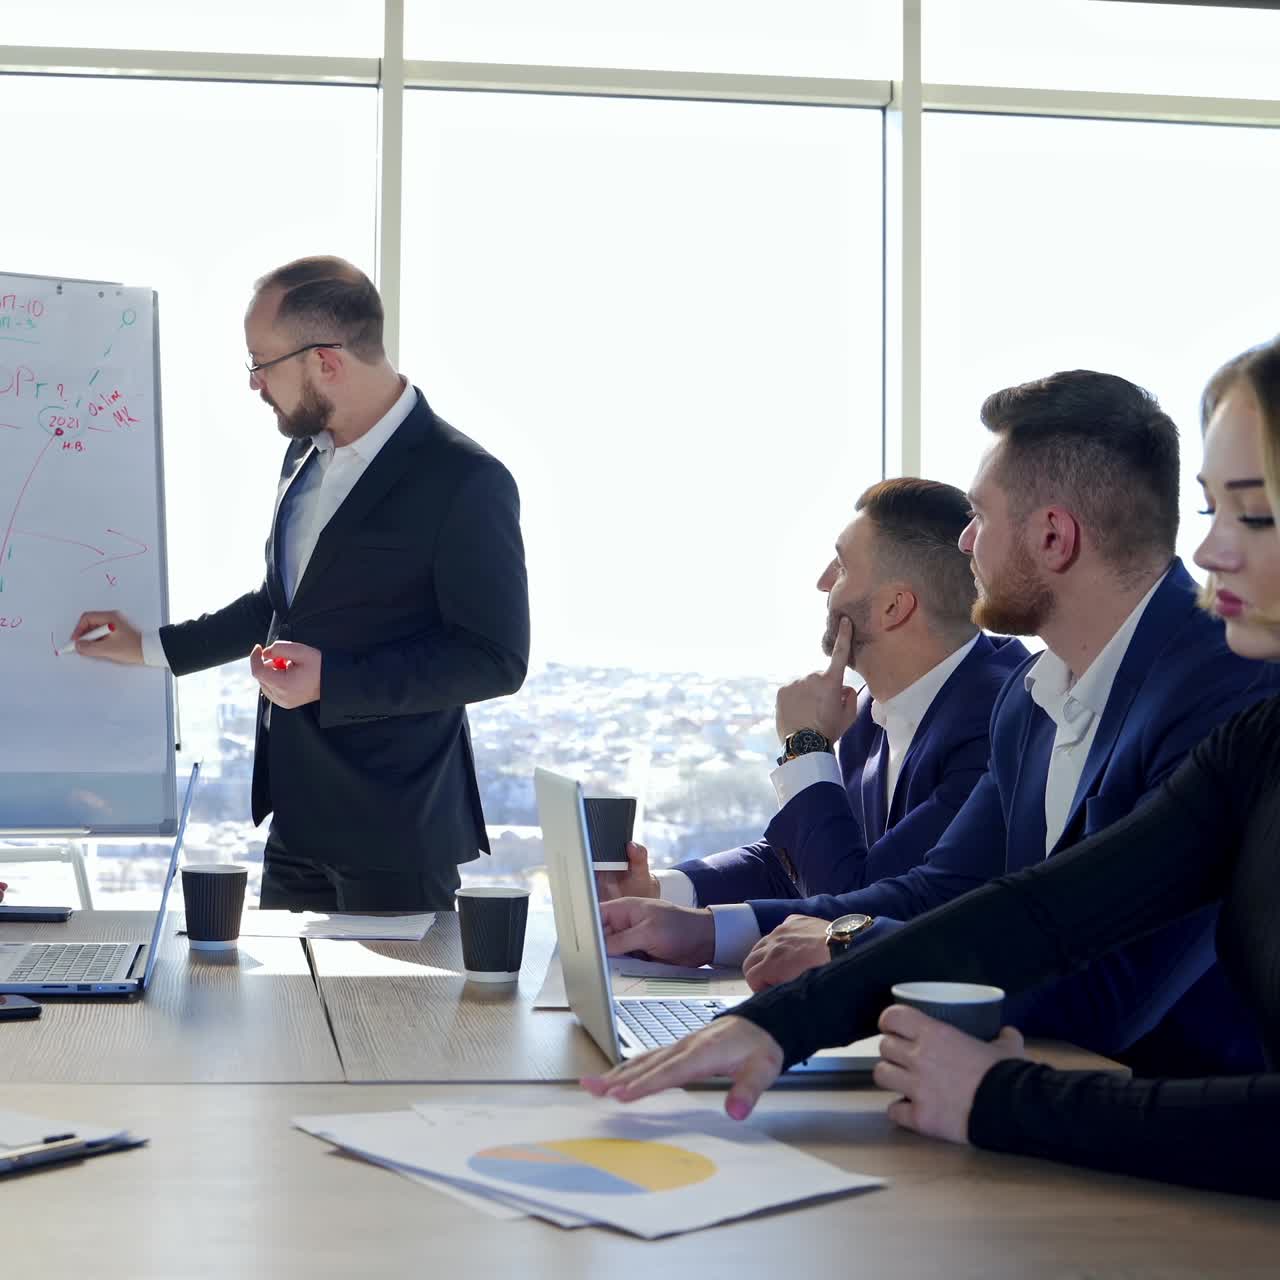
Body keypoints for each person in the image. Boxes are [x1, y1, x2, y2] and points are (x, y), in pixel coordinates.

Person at [582, 336, 1280, 1200]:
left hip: (1179, 1164)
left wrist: (992, 1095)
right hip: (1115, 1144)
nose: (1209, 553)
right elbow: (1018, 908)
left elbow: (1112, 985)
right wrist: (777, 1021)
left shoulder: (1228, 684)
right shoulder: (1048, 699)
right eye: (1214, 510)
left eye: (1254, 515)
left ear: (1053, 535)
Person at [69, 257, 529, 911]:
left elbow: (495, 660)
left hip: (397, 832)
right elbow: (279, 604)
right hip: (295, 822)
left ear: (326, 361)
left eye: (262, 363)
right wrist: (149, 647)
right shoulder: (302, 454)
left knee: (397, 989)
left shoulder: (465, 480)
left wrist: (331, 681)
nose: (254, 383)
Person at [598, 479, 1027, 971]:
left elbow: (854, 911)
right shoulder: (871, 711)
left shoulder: (998, 717)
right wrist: (662, 892)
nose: (824, 582)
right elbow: (801, 860)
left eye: (841, 565)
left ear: (894, 607)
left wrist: (805, 747)